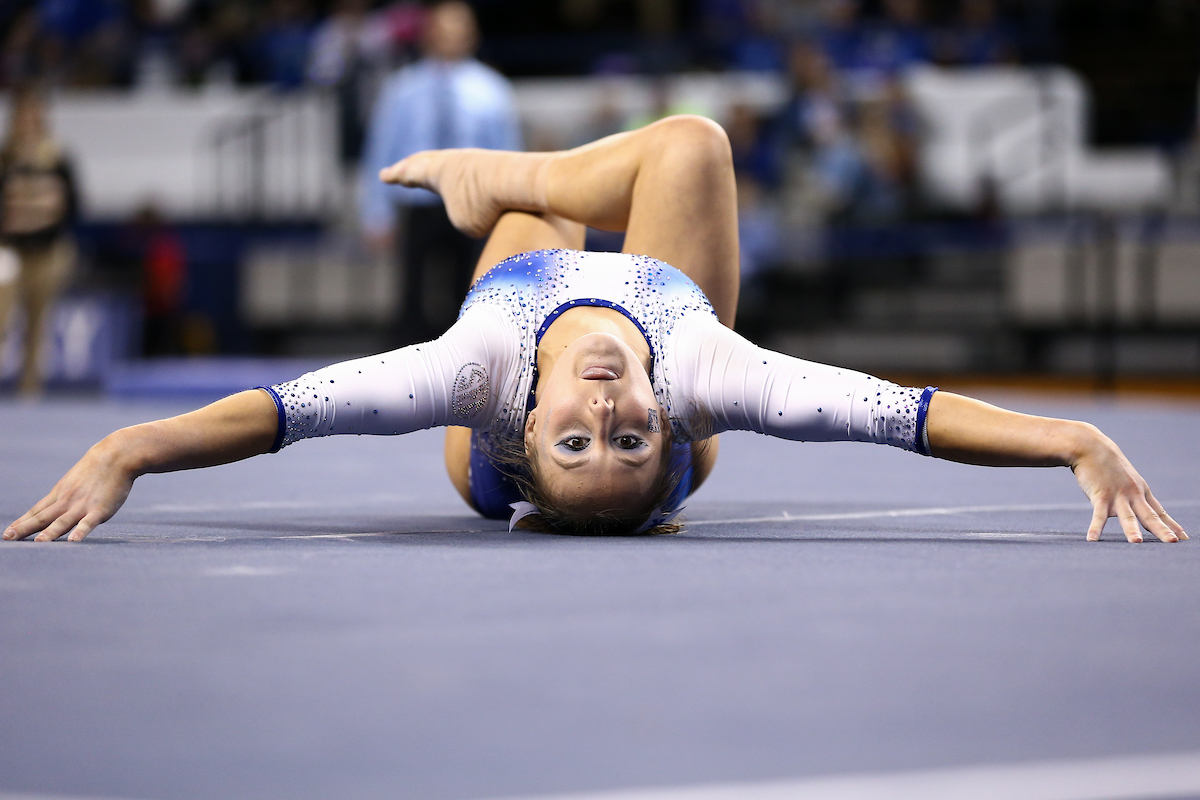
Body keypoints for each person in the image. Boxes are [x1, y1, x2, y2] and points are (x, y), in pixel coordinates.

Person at [3, 116, 1186, 545]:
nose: (611, 417)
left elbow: (283, 412)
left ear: (527, 423)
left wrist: (129, 449)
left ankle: (529, 185)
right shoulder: (695, 374)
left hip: (521, 322)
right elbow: (904, 416)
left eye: (580, 443)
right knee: (695, 149)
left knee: (524, 217)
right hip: (651, 300)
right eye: (634, 443)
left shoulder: (476, 372)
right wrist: (1067, 436)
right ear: (664, 429)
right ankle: (539, 178)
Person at [359, 0, 520, 345]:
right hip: (418, 204)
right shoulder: (402, 88)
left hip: (475, 204)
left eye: (459, 28)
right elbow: (381, 150)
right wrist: (376, 212)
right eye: (443, 29)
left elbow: (508, 155)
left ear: (472, 35)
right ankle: (408, 366)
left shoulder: (492, 90)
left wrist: (510, 213)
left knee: (472, 288)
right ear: (428, 34)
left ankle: (464, 359)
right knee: (411, 290)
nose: (451, 36)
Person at [0, 85, 78, 396]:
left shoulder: (58, 157)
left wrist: (43, 208)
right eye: (24, 114)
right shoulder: (5, 158)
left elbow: (74, 205)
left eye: (35, 113)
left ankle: (30, 387)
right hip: (9, 251)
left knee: (38, 322)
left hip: (47, 251)